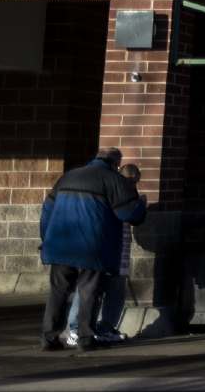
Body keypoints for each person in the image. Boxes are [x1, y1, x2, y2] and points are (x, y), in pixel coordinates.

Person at [39, 147, 148, 352]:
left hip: (61, 243)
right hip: (92, 247)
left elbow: (47, 211)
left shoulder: (68, 176)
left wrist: (47, 239)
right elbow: (129, 214)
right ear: (116, 163)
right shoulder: (113, 179)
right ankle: (85, 338)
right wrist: (140, 204)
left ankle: (48, 337)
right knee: (89, 292)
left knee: (58, 292)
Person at [65, 163, 142, 347]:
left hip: (119, 251)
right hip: (101, 249)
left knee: (114, 291)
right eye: (131, 182)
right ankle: (75, 328)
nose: (133, 186)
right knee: (88, 289)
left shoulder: (129, 195)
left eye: (135, 183)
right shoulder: (110, 193)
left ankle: (105, 328)